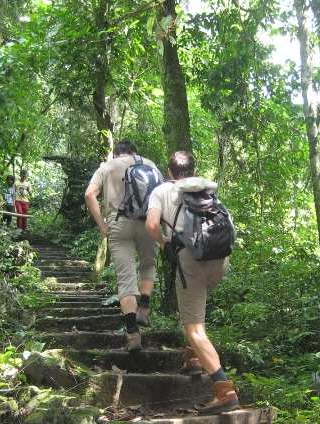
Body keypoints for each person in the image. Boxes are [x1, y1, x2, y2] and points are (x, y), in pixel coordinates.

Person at [145, 151, 240, 415]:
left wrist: (164, 242)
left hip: (191, 258)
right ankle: (193, 358)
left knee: (194, 328)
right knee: (196, 310)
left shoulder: (162, 190)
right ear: (193, 169)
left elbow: (152, 224)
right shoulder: (205, 189)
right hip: (220, 257)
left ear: (169, 170)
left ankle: (224, 390)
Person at [85, 140, 159, 352]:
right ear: (134, 151)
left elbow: (89, 194)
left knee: (126, 278)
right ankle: (144, 306)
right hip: (147, 222)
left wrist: (102, 225)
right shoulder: (150, 164)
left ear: (116, 153)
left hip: (118, 223)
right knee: (148, 264)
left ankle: (133, 333)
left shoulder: (107, 166)